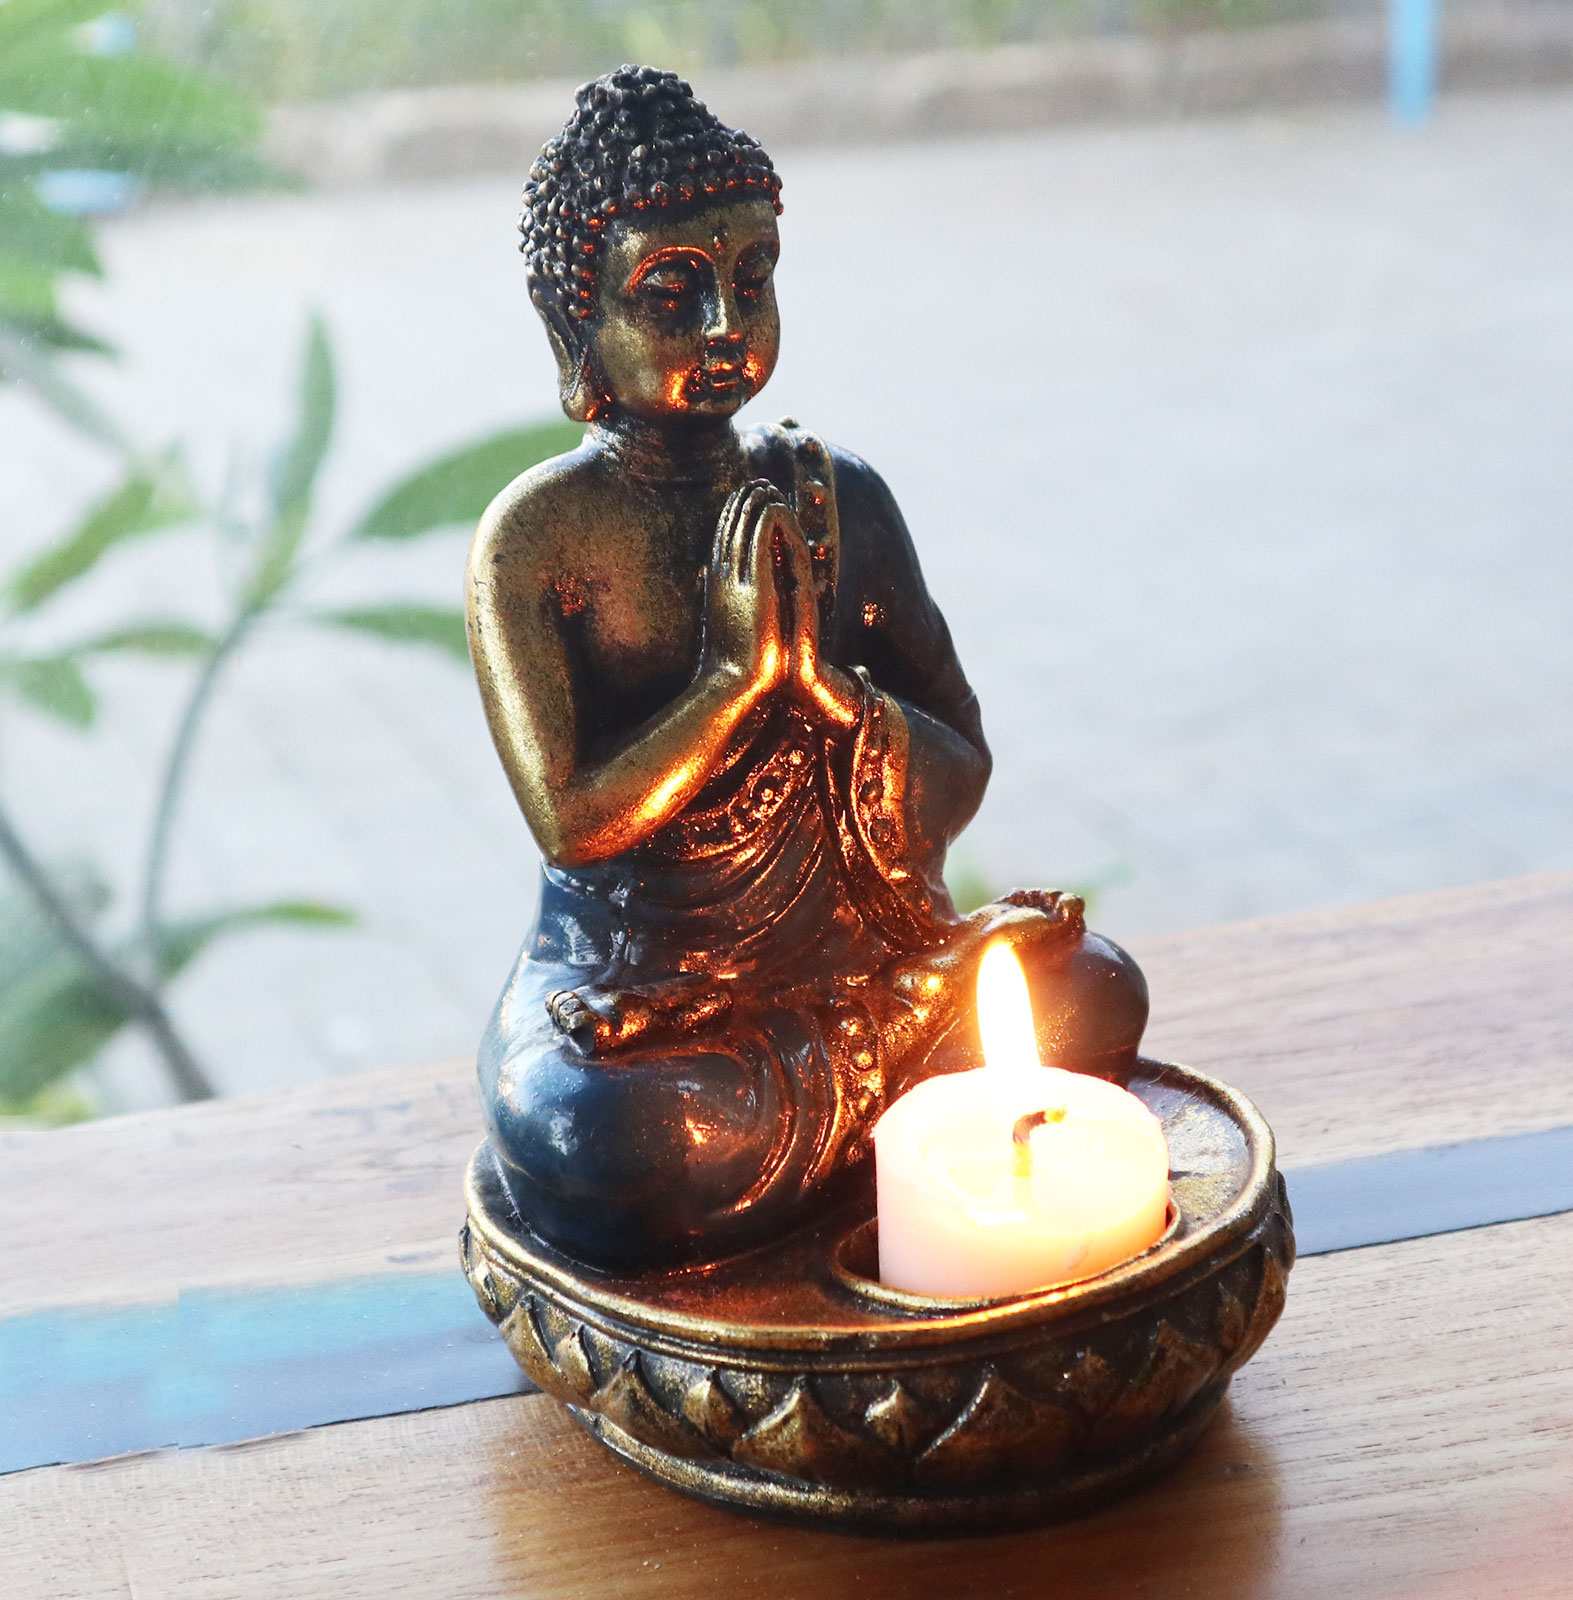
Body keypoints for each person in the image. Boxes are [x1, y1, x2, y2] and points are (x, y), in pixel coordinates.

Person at [469, 66, 1148, 1269]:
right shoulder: (536, 541)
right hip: (651, 989)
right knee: (604, 1138)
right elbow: (572, 823)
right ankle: (903, 1146)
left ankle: (869, 1154)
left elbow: (962, 757)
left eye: (752, 279)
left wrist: (832, 699)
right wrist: (732, 686)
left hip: (858, 953)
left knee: (1089, 991)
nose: (724, 329)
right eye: (671, 293)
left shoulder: (838, 500)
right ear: (575, 325)